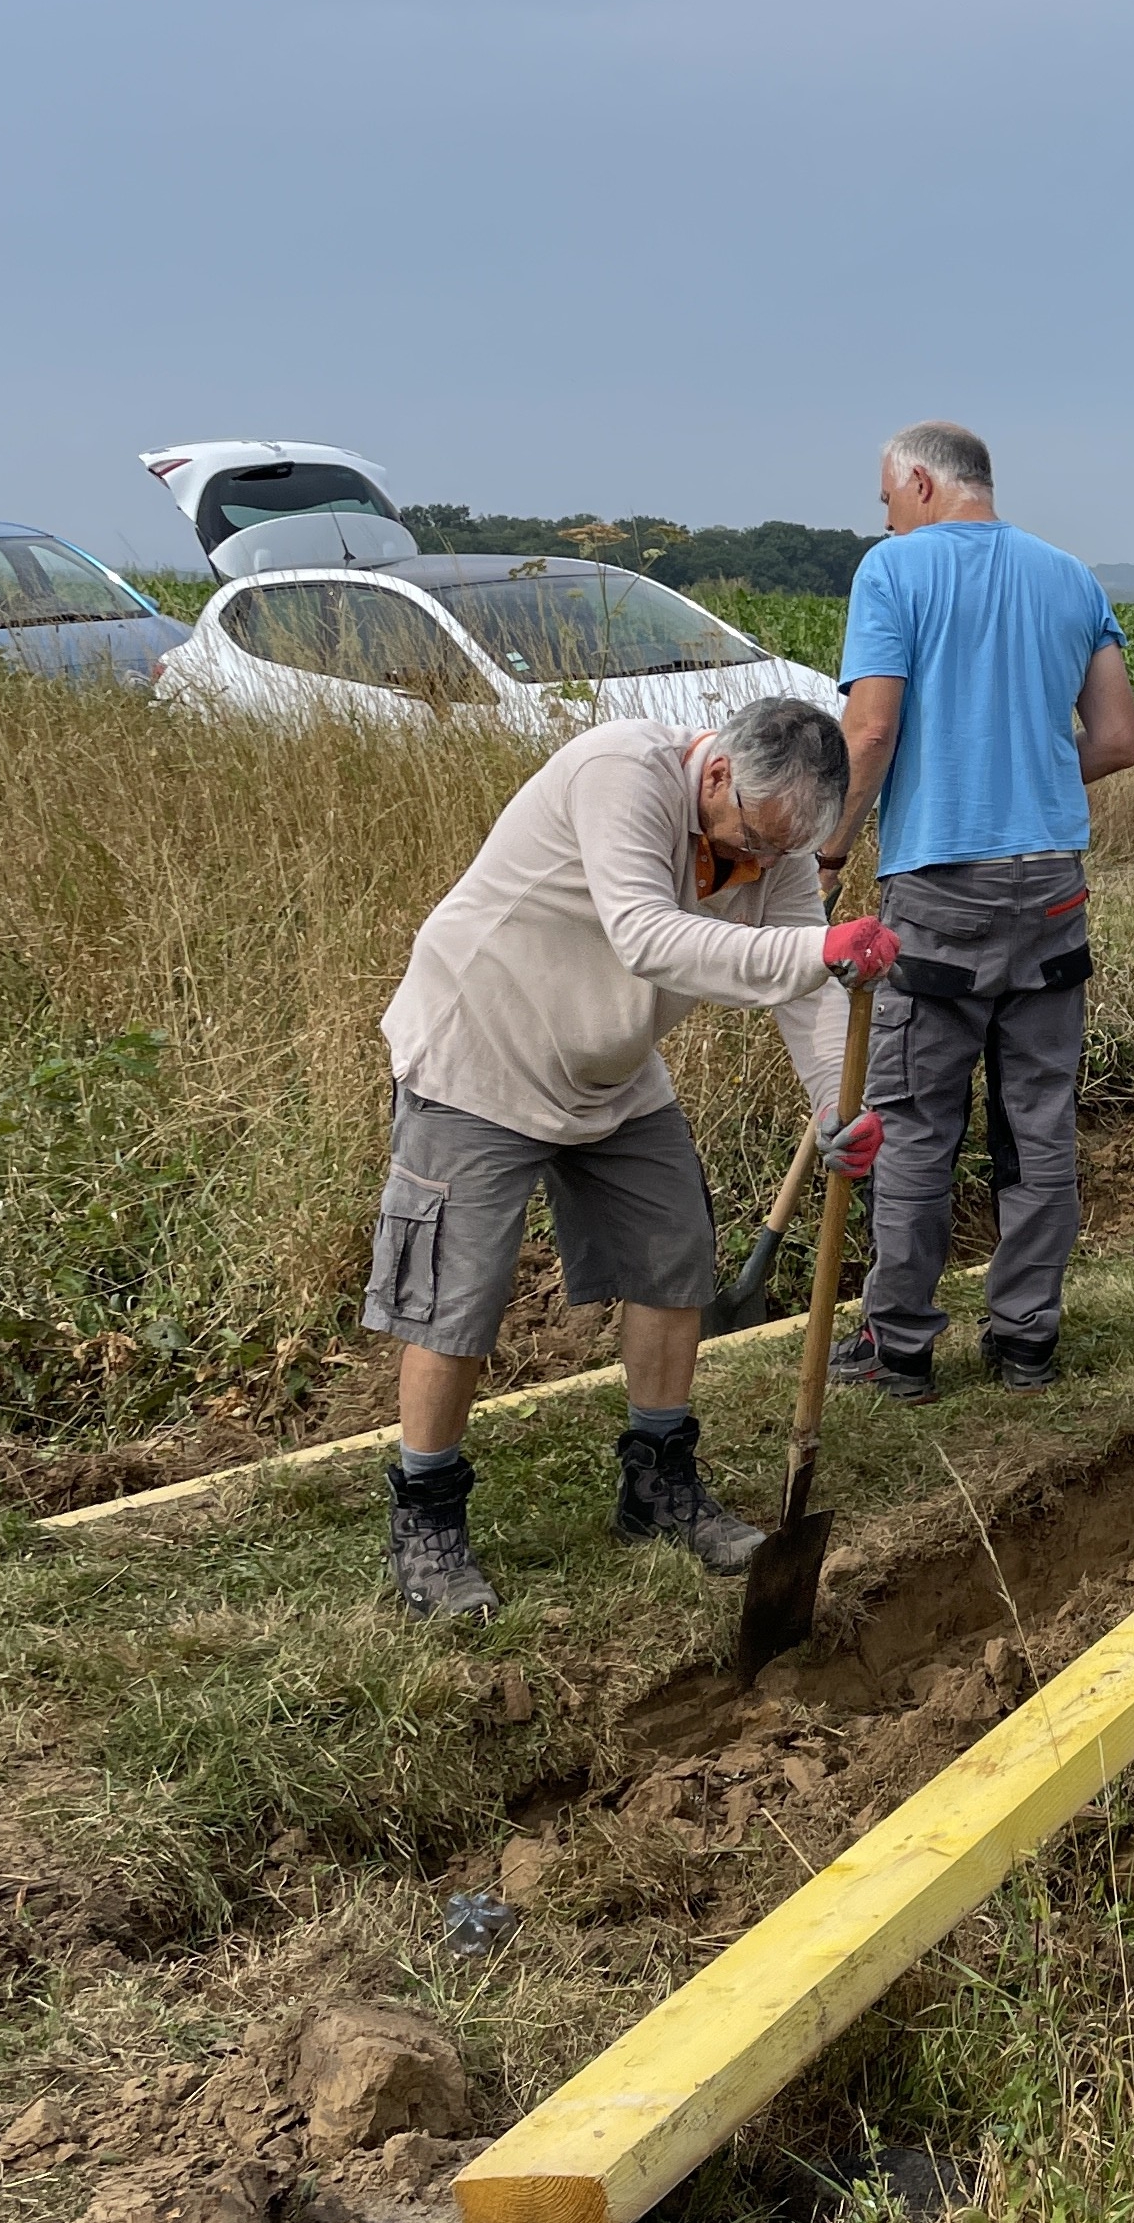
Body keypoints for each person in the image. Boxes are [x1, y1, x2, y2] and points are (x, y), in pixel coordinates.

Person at [368, 691, 900, 1619]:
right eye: (747, 843)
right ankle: (427, 1518)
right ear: (721, 770)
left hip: (607, 1069)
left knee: (673, 1258)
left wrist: (832, 1101)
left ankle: (657, 1488)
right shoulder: (620, 772)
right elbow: (650, 938)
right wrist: (817, 949)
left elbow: (802, 983)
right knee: (459, 1296)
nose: (753, 866)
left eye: (776, 856)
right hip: (478, 1052)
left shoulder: (761, 842)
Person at [823, 420, 1134, 1401]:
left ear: (920, 481)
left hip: (939, 885)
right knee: (1037, 1120)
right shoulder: (1071, 578)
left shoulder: (894, 571)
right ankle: (1025, 1341)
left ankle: (902, 1346)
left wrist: (831, 847)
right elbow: (1121, 738)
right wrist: (1037, 777)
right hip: (1052, 883)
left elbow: (871, 728)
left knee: (916, 1120)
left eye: (886, 496)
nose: (883, 516)